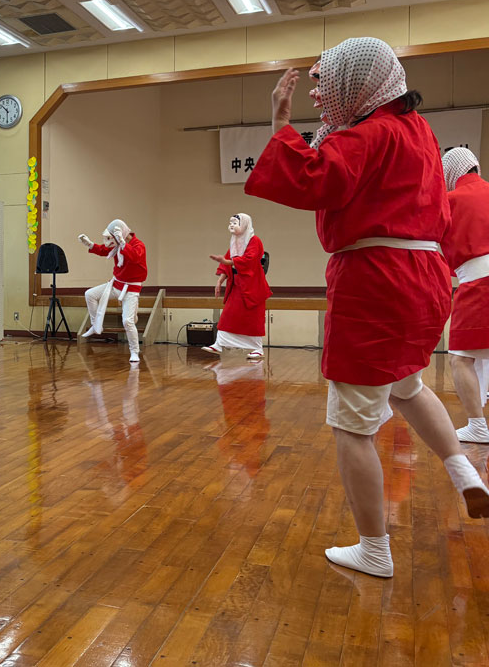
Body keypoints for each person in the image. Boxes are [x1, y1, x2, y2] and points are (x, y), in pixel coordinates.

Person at [246, 37, 489, 578]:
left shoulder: (370, 134)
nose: (320, 94)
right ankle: (464, 473)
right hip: (427, 278)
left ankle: (374, 549)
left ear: (357, 82)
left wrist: (281, 125)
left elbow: (314, 179)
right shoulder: (418, 131)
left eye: (327, 83)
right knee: (408, 386)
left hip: (376, 279)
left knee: (352, 425)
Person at [439, 148, 489, 443]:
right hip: (478, 279)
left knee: (461, 358)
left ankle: (478, 426)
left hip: (479, 284)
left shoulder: (449, 201)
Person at [203, 213, 272, 360]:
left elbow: (249, 260)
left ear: (245, 224)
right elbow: (227, 262)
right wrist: (220, 281)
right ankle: (219, 343)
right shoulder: (235, 241)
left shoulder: (255, 241)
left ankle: (257, 348)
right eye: (231, 222)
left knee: (253, 320)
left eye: (235, 223)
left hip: (252, 286)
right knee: (227, 316)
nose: (232, 225)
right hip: (237, 286)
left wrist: (227, 262)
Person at [78, 219, 147, 363]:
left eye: (112, 237)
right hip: (116, 285)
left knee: (127, 321)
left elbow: (135, 258)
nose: (111, 241)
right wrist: (90, 244)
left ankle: (134, 351)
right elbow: (104, 250)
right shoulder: (117, 245)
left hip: (131, 289)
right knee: (89, 294)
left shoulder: (138, 245)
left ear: (121, 233)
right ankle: (95, 325)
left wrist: (122, 243)